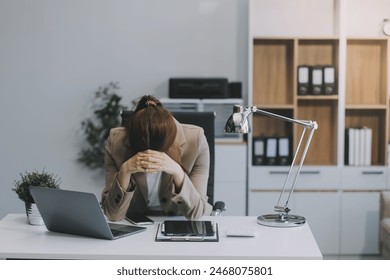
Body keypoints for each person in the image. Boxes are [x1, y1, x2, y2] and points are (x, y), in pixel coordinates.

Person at [101, 95, 212, 221]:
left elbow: (196, 213)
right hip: (134, 221)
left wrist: (178, 172)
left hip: (179, 220)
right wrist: (125, 170)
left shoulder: (195, 140)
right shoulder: (116, 142)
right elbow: (112, 215)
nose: (150, 154)